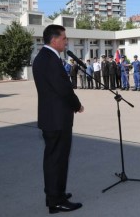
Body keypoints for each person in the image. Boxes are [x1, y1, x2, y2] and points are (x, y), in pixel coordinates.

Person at [32, 24, 84, 214]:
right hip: (57, 119)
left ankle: (56, 194)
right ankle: (56, 201)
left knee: (55, 159)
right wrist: (77, 105)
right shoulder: (50, 60)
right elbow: (63, 88)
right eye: (64, 38)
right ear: (54, 40)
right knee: (57, 160)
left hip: (51, 117)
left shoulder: (43, 57)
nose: (66, 41)